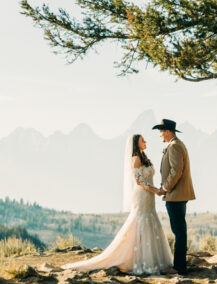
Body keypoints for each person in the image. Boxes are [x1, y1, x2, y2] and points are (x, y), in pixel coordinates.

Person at [61, 133, 173, 275]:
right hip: (142, 195)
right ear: (136, 144)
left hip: (149, 196)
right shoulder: (135, 159)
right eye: (142, 140)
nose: (145, 141)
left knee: (150, 223)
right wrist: (155, 190)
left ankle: (153, 260)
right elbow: (139, 181)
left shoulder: (144, 157)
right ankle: (138, 260)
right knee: (139, 223)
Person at [154, 118, 194, 274]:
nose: (160, 135)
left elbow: (176, 171)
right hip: (176, 194)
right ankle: (180, 265)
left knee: (178, 231)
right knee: (179, 230)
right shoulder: (175, 145)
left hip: (175, 195)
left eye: (161, 131)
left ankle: (178, 267)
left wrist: (165, 188)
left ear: (168, 131)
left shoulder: (175, 146)